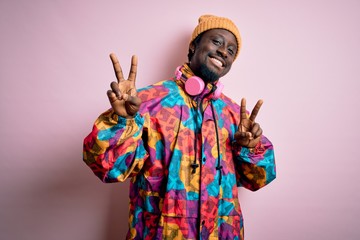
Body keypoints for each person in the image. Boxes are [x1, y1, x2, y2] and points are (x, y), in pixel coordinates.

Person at [83, 14, 276, 240]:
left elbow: (259, 179)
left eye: (231, 51)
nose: (224, 51)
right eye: (217, 42)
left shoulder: (234, 115)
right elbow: (108, 166)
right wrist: (122, 120)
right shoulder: (147, 102)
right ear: (194, 46)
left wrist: (250, 150)